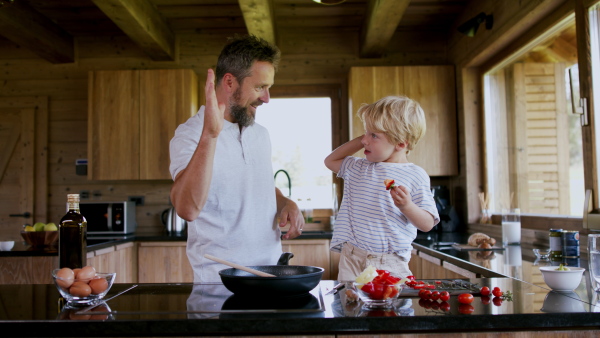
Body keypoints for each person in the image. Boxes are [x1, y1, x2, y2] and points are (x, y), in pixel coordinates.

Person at [169, 35, 304, 283]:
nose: (266, 98)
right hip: (221, 284)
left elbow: (254, 185)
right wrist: (210, 135)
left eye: (268, 87)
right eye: (259, 87)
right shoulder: (190, 135)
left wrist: (284, 201)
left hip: (270, 274)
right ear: (229, 82)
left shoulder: (259, 134)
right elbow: (186, 209)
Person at [324, 95, 440, 281]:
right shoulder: (359, 167)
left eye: (374, 135)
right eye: (365, 133)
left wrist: (407, 206)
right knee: (350, 307)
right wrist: (367, 135)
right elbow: (330, 161)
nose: (365, 141)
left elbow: (427, 224)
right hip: (352, 258)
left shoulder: (415, 175)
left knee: (391, 309)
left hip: (390, 262)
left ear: (401, 143)